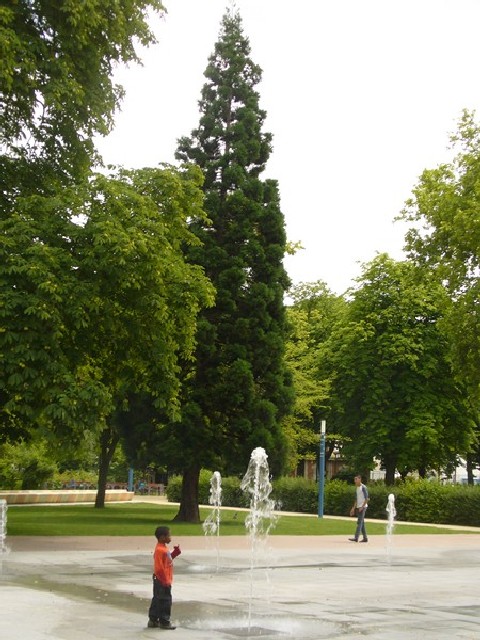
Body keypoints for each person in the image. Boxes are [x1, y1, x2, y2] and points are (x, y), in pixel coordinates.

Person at [147, 526, 181, 629]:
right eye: (169, 535)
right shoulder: (159, 550)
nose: (170, 537)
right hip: (162, 580)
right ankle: (164, 621)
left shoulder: (163, 548)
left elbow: (167, 560)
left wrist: (174, 553)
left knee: (158, 599)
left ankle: (153, 620)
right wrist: (165, 580)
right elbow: (159, 568)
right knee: (165, 600)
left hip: (163, 579)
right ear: (162, 537)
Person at [349, 474, 369, 542]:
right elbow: (356, 499)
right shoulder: (357, 488)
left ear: (360, 479)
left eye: (356, 479)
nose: (355, 481)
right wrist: (353, 508)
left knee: (359, 522)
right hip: (358, 507)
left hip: (363, 507)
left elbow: (367, 499)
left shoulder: (363, 487)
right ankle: (365, 538)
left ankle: (356, 537)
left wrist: (362, 507)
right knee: (362, 523)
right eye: (354, 479)